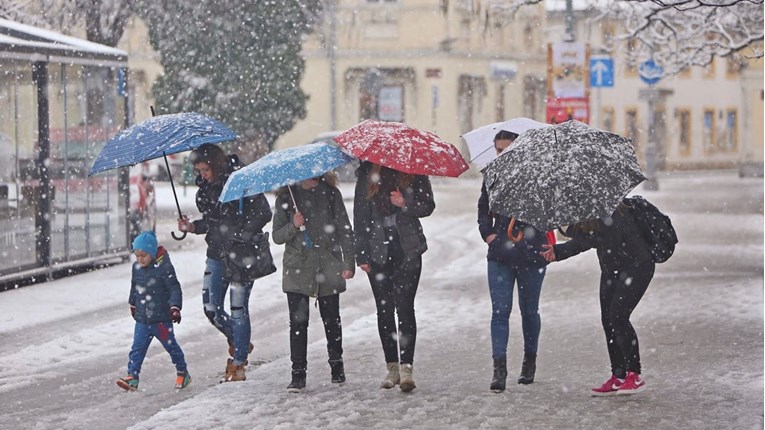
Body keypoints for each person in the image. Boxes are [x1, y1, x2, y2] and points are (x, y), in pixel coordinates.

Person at [177, 143, 272, 382]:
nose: (202, 175)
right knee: (211, 308)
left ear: (216, 165)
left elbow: (263, 213)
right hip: (216, 253)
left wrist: (242, 233)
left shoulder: (241, 180)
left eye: (205, 169)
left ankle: (239, 363)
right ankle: (240, 341)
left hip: (242, 255)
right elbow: (212, 223)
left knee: (238, 310)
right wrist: (191, 227)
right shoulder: (206, 190)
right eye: (198, 170)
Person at [540, 201, 654, 396]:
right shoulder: (591, 210)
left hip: (637, 267)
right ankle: (618, 376)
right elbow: (584, 235)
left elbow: (592, 238)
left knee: (618, 316)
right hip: (612, 269)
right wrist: (558, 225)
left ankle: (634, 375)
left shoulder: (617, 210)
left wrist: (561, 248)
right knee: (608, 320)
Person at [353, 161, 435, 392]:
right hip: (378, 252)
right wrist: (361, 255)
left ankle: (407, 368)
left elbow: (428, 206)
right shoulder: (367, 176)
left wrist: (405, 203)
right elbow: (359, 219)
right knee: (385, 310)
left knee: (406, 308)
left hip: (408, 250)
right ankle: (392, 368)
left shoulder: (414, 171)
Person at [478, 130, 549, 393]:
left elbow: (547, 213)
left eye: (506, 148)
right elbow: (483, 210)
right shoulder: (491, 176)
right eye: (498, 149)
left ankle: (530, 360)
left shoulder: (537, 176)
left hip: (532, 253)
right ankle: (499, 368)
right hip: (500, 255)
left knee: (529, 310)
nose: (502, 154)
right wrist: (490, 235)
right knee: (500, 311)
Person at [272, 173, 355, 393]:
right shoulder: (285, 198)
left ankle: (337, 366)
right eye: (311, 177)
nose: (316, 180)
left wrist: (348, 262)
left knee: (332, 319)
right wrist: (293, 224)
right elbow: (277, 236)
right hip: (297, 268)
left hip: (328, 264)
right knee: (298, 323)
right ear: (299, 177)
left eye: (319, 176)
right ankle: (298, 374)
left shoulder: (330, 194)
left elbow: (345, 229)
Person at [117, 231, 191, 392]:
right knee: (137, 349)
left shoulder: (163, 267)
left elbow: (174, 288)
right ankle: (133, 377)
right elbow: (134, 286)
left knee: (171, 347)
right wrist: (133, 304)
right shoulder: (136, 267)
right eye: (137, 255)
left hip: (161, 319)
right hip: (143, 319)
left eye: (143, 255)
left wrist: (175, 307)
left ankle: (182, 371)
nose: (139, 259)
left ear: (151, 252)